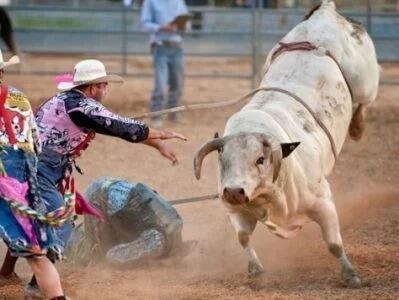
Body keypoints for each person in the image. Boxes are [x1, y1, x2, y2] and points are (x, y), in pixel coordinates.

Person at [0, 58, 187, 297]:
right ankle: (38, 286)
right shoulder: (82, 107)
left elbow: (115, 125)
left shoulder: (71, 102)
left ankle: (7, 271)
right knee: (61, 224)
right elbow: (121, 126)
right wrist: (162, 134)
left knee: (29, 214)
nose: (106, 89)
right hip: (42, 167)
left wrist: (157, 145)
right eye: (104, 84)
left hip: (42, 164)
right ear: (92, 87)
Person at [0, 49, 66, 299]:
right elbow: (35, 141)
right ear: (2, 71)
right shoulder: (17, 95)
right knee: (35, 248)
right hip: (23, 169)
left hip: (6, 170)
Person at [67, 177, 194, 266]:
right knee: (100, 256)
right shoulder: (158, 241)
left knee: (106, 249)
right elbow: (114, 257)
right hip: (99, 197)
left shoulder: (170, 230)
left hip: (109, 191)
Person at [140, 0, 189, 126]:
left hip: (177, 46)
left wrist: (182, 26)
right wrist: (161, 27)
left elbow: (187, 23)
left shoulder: (178, 1)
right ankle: (156, 115)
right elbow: (145, 23)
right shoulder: (151, 1)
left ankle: (174, 113)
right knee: (161, 84)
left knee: (177, 83)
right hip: (160, 46)